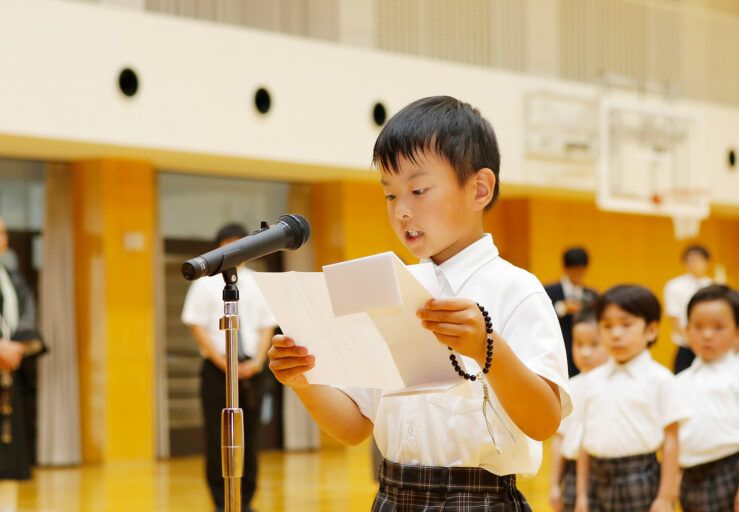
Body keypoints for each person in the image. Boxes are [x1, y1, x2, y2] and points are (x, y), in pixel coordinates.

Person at [268, 96, 571, 511]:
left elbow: (544, 422)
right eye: (390, 195)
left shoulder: (517, 289)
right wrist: (305, 383)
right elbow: (356, 425)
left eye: (418, 189)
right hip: (393, 493)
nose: (402, 211)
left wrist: (488, 348)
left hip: (479, 498)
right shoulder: (389, 288)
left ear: (479, 188)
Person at [181, 223, 277, 512]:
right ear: (219, 246)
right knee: (217, 436)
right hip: (217, 369)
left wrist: (259, 362)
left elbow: (266, 326)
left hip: (252, 370)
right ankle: (221, 502)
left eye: (242, 244)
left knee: (251, 438)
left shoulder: (258, 282)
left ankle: (246, 501)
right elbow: (197, 326)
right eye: (230, 244)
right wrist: (222, 362)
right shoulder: (205, 282)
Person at [575, 285, 685, 512]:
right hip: (596, 478)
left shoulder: (660, 380)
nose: (615, 334)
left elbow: (671, 441)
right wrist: (581, 496)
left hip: (641, 477)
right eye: (607, 325)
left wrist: (665, 498)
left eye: (626, 324)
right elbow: (585, 439)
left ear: (651, 330)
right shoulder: (592, 380)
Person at [675, 284, 739, 512]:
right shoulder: (680, 381)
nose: (707, 335)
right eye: (698, 327)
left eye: (718, 327)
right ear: (686, 332)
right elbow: (677, 434)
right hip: (691, 475)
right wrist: (676, 475)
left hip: (731, 471)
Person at [0, 217, 46, 512]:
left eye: (2, 232)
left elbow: (26, 318)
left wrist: (15, 346)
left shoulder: (10, 276)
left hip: (8, 372)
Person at [549, 307, 609, 512]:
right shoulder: (569, 387)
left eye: (594, 345)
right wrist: (554, 485)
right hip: (573, 472)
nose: (585, 352)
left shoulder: (611, 386)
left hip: (607, 470)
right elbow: (559, 439)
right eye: (579, 344)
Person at [545, 247, 599, 377]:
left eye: (581, 271)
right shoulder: (549, 291)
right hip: (557, 351)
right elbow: (540, 316)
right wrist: (562, 308)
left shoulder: (592, 294)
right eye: (574, 271)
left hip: (583, 353)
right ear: (566, 269)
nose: (578, 275)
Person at [663, 245, 712, 373]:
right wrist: (694, 342)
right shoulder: (674, 286)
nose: (694, 264)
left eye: (698, 260)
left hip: (712, 347)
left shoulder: (713, 286)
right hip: (686, 347)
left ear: (707, 262)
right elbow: (674, 319)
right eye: (690, 260)